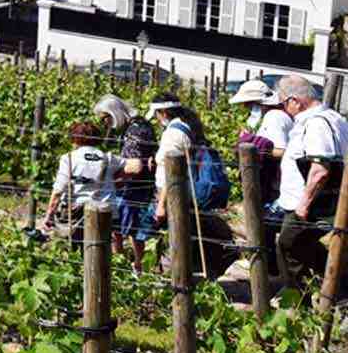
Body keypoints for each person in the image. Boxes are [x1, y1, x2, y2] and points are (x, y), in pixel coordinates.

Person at [148, 95, 238, 278]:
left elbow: (171, 172)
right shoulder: (187, 126)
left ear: (163, 112)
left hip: (174, 193)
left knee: (175, 234)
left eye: (157, 114)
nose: (157, 120)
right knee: (185, 232)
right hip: (184, 191)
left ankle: (174, 276)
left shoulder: (173, 134)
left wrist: (161, 204)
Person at [273, 75, 348, 291]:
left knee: (287, 246)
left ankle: (298, 305)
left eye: (284, 102)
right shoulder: (334, 117)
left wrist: (303, 206)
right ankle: (330, 290)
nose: (284, 109)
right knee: (303, 247)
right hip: (324, 201)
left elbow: (320, 170)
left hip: (312, 204)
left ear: (295, 101)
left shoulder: (316, 124)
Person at [43, 120, 144, 243]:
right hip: (107, 211)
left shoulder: (69, 158)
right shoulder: (108, 158)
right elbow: (137, 166)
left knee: (77, 249)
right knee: (102, 248)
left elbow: (59, 190)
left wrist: (49, 215)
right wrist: (115, 179)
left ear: (75, 139)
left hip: (78, 214)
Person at [230, 78, 291, 273]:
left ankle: (265, 269)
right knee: (266, 225)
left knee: (264, 224)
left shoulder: (274, 117)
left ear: (257, 103)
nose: (246, 109)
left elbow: (282, 150)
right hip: (275, 182)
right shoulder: (273, 116)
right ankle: (268, 267)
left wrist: (252, 145)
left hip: (277, 184)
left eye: (248, 105)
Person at [93, 95, 156, 273]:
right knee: (122, 226)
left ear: (115, 113)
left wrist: (111, 181)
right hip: (136, 186)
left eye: (106, 118)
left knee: (132, 229)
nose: (105, 124)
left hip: (134, 188)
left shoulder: (134, 131)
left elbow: (135, 166)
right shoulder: (138, 125)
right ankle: (124, 264)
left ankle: (137, 267)